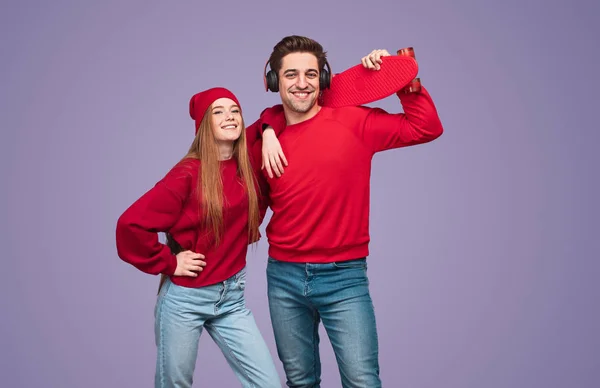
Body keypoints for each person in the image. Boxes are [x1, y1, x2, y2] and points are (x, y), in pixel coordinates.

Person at [251, 35, 445, 388]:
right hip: (283, 277)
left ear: (323, 79)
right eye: (291, 74)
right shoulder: (264, 137)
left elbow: (425, 127)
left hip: (344, 278)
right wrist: (266, 129)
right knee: (299, 381)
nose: (301, 83)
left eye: (311, 74)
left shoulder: (354, 122)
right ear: (274, 81)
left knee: (362, 382)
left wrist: (403, 81)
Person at [115, 87, 281, 388]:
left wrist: (268, 133)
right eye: (218, 112)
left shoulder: (246, 161)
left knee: (267, 384)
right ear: (204, 124)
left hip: (231, 297)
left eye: (235, 110)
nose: (230, 116)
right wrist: (169, 261)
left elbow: (275, 114)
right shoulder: (187, 174)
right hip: (186, 299)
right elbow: (130, 225)